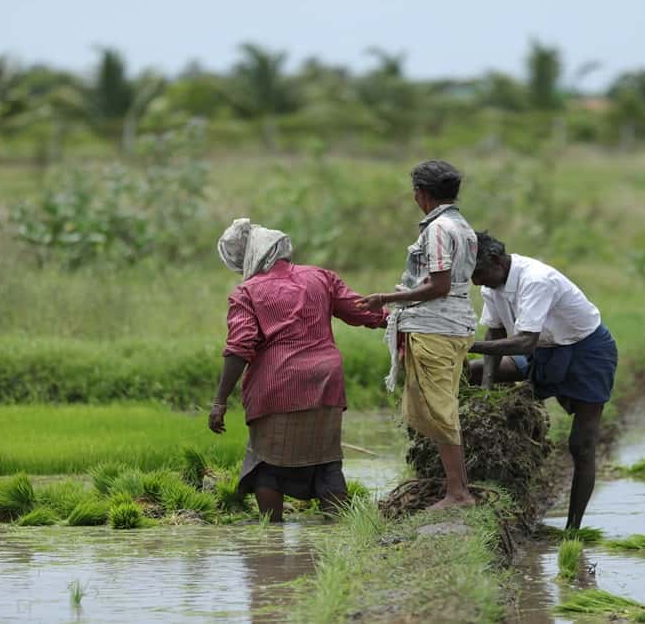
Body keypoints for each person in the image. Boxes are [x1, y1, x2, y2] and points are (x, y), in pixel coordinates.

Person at [208, 218, 386, 522]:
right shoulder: (321, 277)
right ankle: (339, 536)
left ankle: (272, 537)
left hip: (278, 385)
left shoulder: (247, 292)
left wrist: (220, 401)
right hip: (326, 382)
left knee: (267, 467)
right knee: (327, 462)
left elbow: (240, 347)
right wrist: (402, 320)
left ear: (251, 257)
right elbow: (363, 311)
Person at [466, 231, 618, 530]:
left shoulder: (535, 279)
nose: (474, 281)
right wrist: (486, 393)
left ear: (496, 260)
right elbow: (495, 332)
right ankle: (498, 460)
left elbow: (523, 342)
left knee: (581, 445)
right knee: (469, 373)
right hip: (544, 350)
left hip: (586, 352)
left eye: (477, 273)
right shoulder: (491, 285)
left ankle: (572, 531)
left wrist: (466, 346)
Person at [357, 160, 479, 510]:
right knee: (442, 407)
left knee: (440, 411)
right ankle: (457, 488)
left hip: (436, 328)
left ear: (421, 194)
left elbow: (438, 286)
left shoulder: (438, 229)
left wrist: (386, 298)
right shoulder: (462, 226)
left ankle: (458, 493)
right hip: (454, 325)